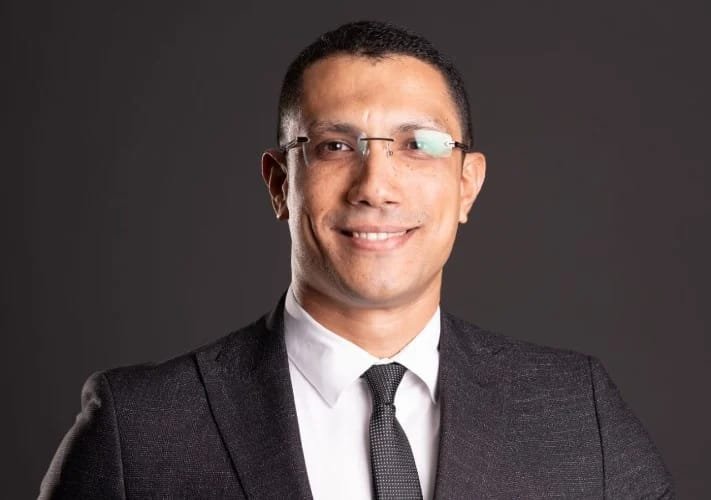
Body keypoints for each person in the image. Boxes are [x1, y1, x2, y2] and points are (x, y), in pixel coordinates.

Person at [40, 21, 673, 499]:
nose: (376, 187)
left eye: (419, 145)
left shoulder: (577, 411)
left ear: (467, 185)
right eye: (336, 146)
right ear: (280, 184)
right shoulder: (138, 431)